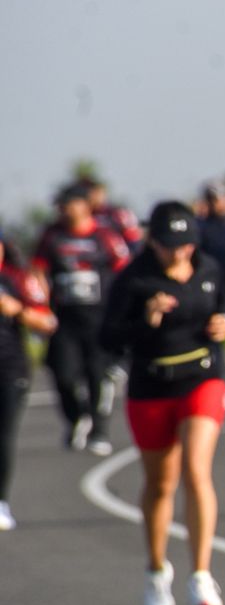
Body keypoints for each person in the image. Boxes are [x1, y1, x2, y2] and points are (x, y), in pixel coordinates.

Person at [99, 202, 225, 605]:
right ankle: (157, 571)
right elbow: (109, 338)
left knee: (196, 469)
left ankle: (201, 574)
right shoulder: (133, 280)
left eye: (187, 245)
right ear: (153, 242)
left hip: (202, 378)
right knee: (160, 484)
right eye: (171, 246)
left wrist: (224, 325)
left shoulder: (209, 270)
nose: (180, 253)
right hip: (151, 385)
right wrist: (147, 319)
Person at [31, 182, 130, 454]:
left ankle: (99, 430)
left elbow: (124, 270)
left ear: (85, 205)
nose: (65, 209)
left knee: (97, 375)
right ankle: (77, 417)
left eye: (70, 203)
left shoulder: (105, 236)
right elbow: (38, 271)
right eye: (62, 205)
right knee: (63, 374)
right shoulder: (52, 236)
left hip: (99, 318)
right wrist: (41, 303)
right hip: (64, 319)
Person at [0, 230, 58, 531]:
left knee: (3, 435)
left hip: (9, 368)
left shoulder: (17, 279)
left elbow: (47, 322)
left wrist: (17, 310)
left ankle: (1, 502)